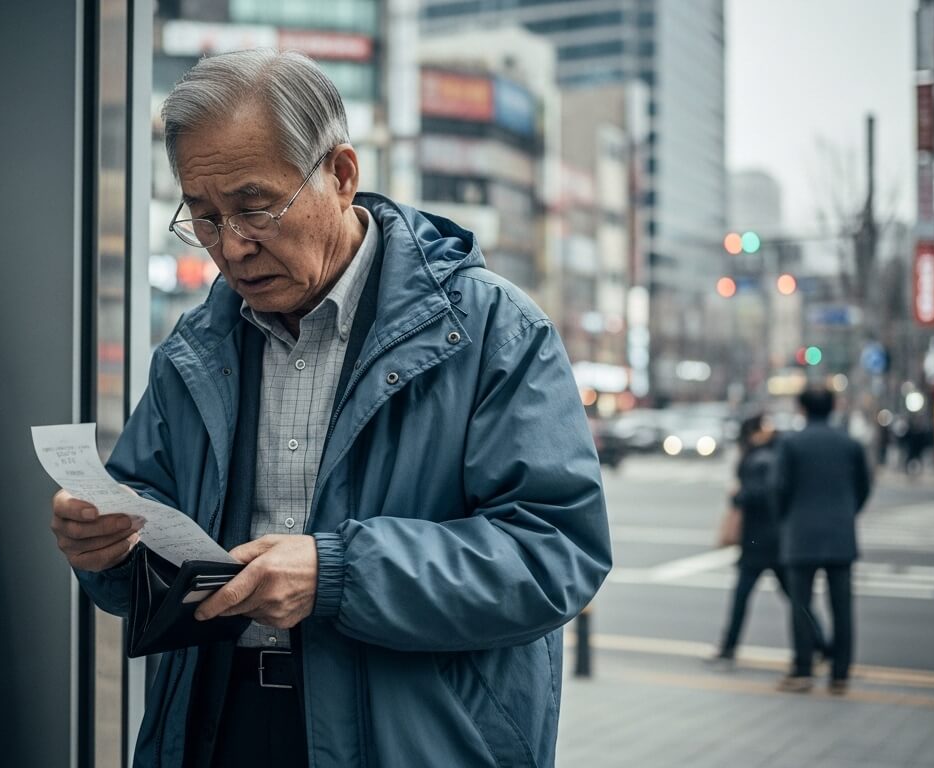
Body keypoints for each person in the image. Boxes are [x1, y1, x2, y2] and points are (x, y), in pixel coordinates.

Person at [50, 49, 611, 768]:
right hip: (218, 726)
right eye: (204, 216)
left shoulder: (491, 331)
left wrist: (339, 574)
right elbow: (150, 517)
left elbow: (556, 551)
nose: (232, 245)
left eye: (255, 207)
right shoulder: (195, 348)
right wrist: (109, 550)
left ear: (341, 175)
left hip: (411, 737)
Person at [775, 386, 872, 694]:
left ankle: (803, 669)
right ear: (833, 407)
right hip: (841, 535)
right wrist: (847, 513)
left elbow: (778, 488)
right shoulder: (849, 443)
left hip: (801, 534)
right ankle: (840, 674)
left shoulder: (791, 443)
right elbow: (864, 486)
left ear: (802, 408)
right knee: (842, 607)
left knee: (801, 605)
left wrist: (787, 519)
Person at [708, 415, 825, 667]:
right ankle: (821, 644)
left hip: (758, 542)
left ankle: (729, 647)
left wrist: (739, 496)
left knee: (743, 597)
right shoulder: (776, 453)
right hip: (776, 540)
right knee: (796, 599)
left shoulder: (757, 458)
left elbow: (759, 494)